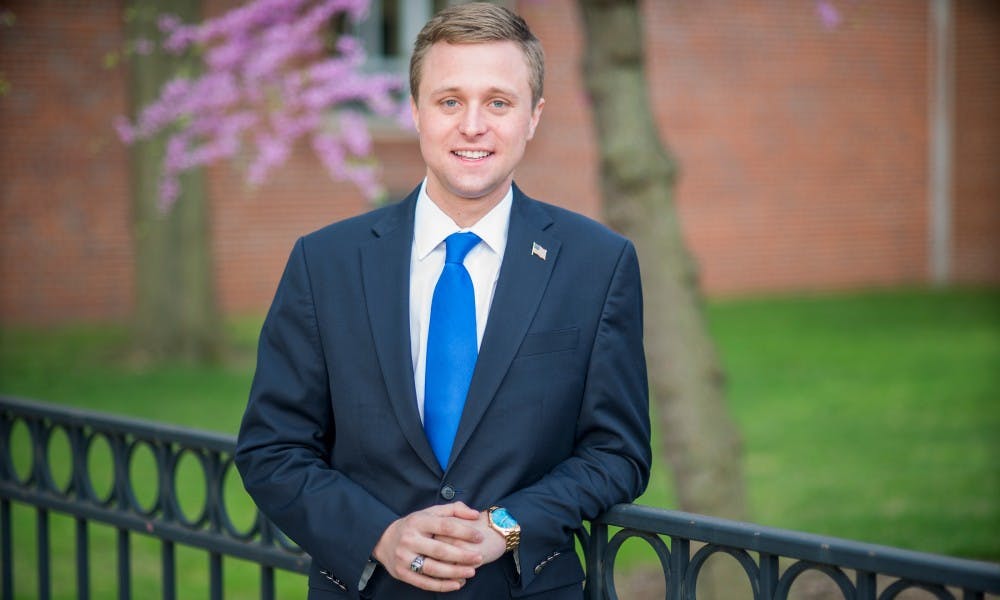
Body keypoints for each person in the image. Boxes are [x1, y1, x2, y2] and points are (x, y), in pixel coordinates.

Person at [234, 3, 651, 598]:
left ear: (533, 117)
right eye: (450, 100)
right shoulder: (325, 262)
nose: (472, 125)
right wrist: (379, 534)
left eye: (498, 103)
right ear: (415, 112)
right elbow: (272, 450)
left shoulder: (597, 264)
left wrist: (506, 528)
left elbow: (617, 452)